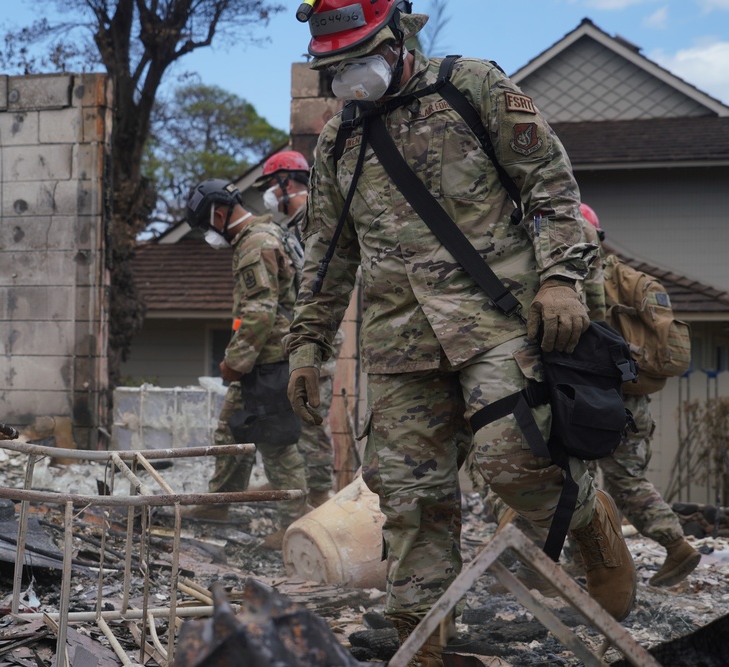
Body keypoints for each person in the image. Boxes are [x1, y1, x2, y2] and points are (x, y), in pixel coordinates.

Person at [284, 2, 636, 663]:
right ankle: (425, 644)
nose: (350, 77)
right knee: (412, 498)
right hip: (398, 341)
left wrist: (561, 277)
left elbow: (552, 188)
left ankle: (591, 516)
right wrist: (310, 345)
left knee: (513, 458)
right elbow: (328, 257)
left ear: (398, 38)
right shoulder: (338, 144)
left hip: (495, 318)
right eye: (336, 67)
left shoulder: (473, 88)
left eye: (358, 59)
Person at [182, 178, 308, 549]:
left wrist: (233, 362)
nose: (210, 235)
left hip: (267, 362)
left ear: (219, 215)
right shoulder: (266, 232)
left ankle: (296, 525)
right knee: (231, 432)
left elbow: (259, 310)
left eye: (208, 227)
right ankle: (218, 504)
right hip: (262, 361)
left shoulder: (254, 244)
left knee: (277, 443)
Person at [581, 203, 701, 587]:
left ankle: (578, 559)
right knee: (626, 479)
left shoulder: (578, 280)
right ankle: (674, 544)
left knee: (574, 481)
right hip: (631, 403)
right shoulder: (633, 280)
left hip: (588, 399)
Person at [256, 150, 343, 507]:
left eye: (271, 187)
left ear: (286, 183)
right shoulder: (294, 227)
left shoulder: (315, 218)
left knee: (309, 419)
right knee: (297, 416)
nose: (269, 195)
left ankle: (320, 496)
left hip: (318, 337)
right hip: (303, 336)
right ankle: (307, 490)